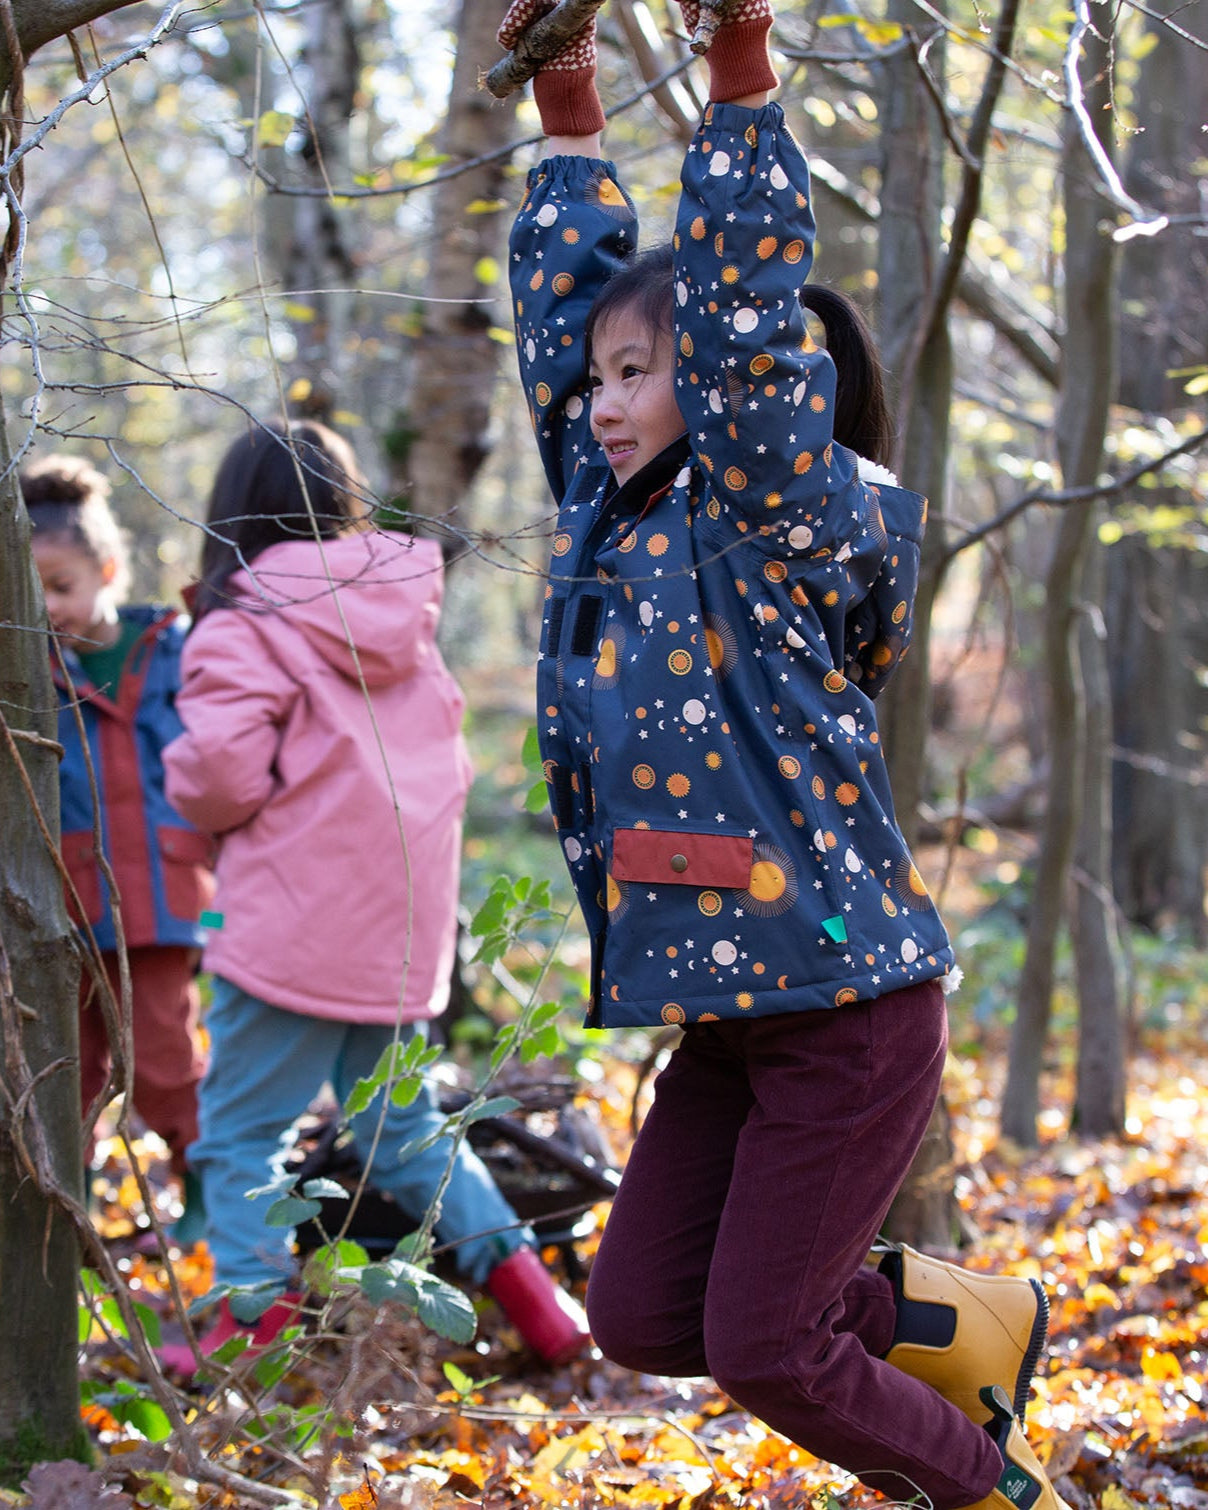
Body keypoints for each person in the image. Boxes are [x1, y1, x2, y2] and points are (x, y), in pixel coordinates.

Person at [501, 2, 1068, 1507]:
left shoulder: (766, 518)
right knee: (643, 1315)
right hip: (732, 1014)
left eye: (639, 375)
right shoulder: (612, 514)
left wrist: (740, 73)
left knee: (763, 1345)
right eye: (601, 379)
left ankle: (991, 1489)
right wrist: (569, 117)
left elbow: (742, 318)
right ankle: (951, 1324)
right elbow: (563, 339)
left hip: (842, 1008)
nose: (602, 407)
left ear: (725, 388)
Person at [157, 418, 588, 1374]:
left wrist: (179, 786)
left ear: (232, 515)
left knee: (240, 1135)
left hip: (290, 931)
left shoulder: (245, 623)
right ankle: (537, 1298)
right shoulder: (401, 620)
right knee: (404, 1132)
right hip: (396, 933)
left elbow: (220, 776)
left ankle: (253, 1316)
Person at [25, 455, 211, 1236]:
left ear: (106, 570)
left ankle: (206, 1200)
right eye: (29, 591)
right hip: (62, 912)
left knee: (165, 1063)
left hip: (163, 906)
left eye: (61, 586)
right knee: (64, 1072)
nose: (47, 608)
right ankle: (61, 1219)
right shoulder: (27, 674)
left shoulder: (174, 650)